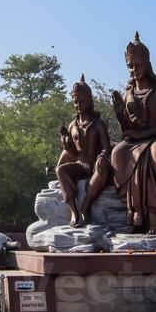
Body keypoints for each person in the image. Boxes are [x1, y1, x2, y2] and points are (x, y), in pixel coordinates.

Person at [110, 33, 156, 234]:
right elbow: (127, 130)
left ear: (147, 63)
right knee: (118, 152)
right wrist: (119, 114)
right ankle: (133, 212)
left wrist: (143, 136)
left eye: (137, 65)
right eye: (130, 66)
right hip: (138, 140)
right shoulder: (128, 93)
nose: (133, 70)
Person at [56, 75, 110, 227]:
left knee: (102, 169)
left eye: (81, 101)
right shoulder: (73, 125)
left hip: (95, 164)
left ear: (89, 100)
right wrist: (67, 144)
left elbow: (107, 147)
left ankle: (85, 207)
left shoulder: (98, 123)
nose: (78, 105)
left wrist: (102, 156)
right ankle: (74, 211)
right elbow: (73, 152)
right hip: (80, 163)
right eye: (75, 102)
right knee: (61, 170)